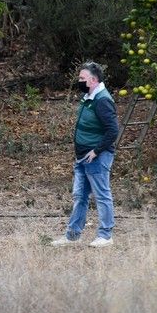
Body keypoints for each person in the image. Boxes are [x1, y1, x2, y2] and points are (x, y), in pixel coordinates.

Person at [52, 62, 119, 248]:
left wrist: (96, 151)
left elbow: (113, 131)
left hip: (96, 157)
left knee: (102, 195)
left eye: (82, 78)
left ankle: (105, 236)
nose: (79, 81)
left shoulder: (102, 100)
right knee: (80, 196)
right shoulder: (88, 96)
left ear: (93, 79)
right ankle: (73, 235)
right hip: (82, 156)